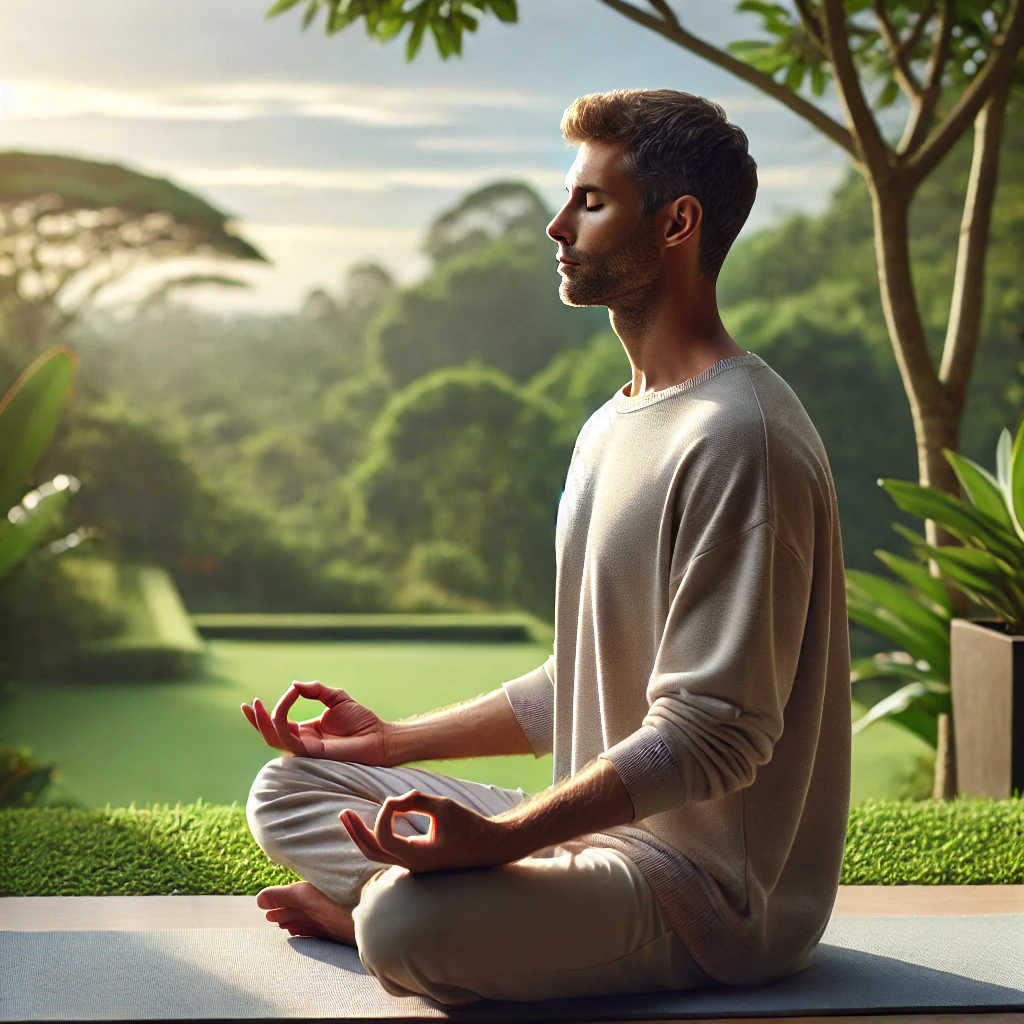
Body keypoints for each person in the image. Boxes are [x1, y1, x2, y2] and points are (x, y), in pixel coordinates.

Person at [242, 88, 852, 1007]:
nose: (556, 225)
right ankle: (416, 901)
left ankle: (385, 910)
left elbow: (713, 737)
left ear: (678, 222)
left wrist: (504, 841)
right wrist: (392, 744)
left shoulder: (742, 438)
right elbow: (584, 673)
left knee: (408, 926)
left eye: (591, 203)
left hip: (699, 895)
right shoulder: (614, 422)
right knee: (290, 785)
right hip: (585, 839)